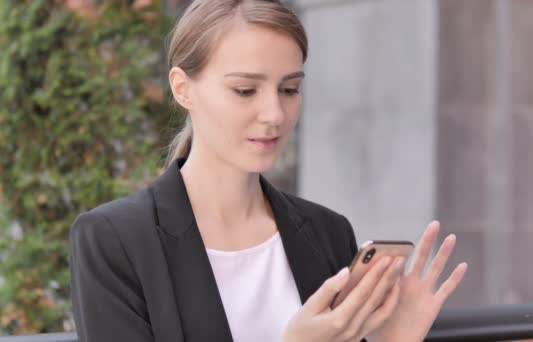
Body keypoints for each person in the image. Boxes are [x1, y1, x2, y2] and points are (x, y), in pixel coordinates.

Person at [69, 0, 468, 341]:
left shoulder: (327, 233)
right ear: (182, 88)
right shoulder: (114, 241)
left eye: (289, 89)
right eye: (245, 90)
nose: (275, 114)